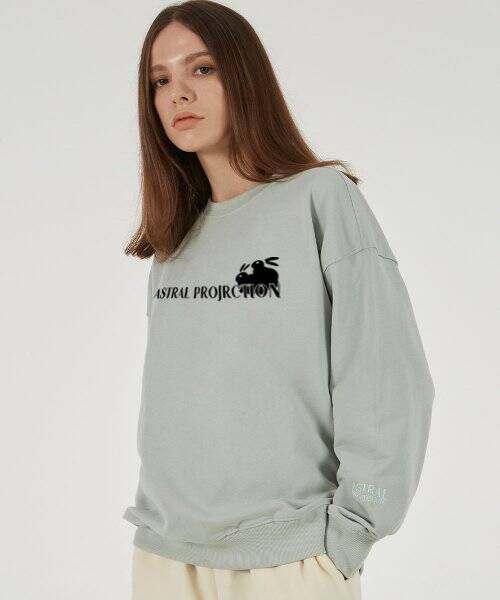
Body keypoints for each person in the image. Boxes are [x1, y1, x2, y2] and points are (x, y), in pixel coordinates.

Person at [122, 2, 435, 599]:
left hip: (290, 560)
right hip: (165, 557)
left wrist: (355, 529)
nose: (178, 93)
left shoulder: (320, 199)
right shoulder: (174, 240)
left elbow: (384, 376)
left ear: (245, 76)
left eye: (202, 69)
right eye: (160, 80)